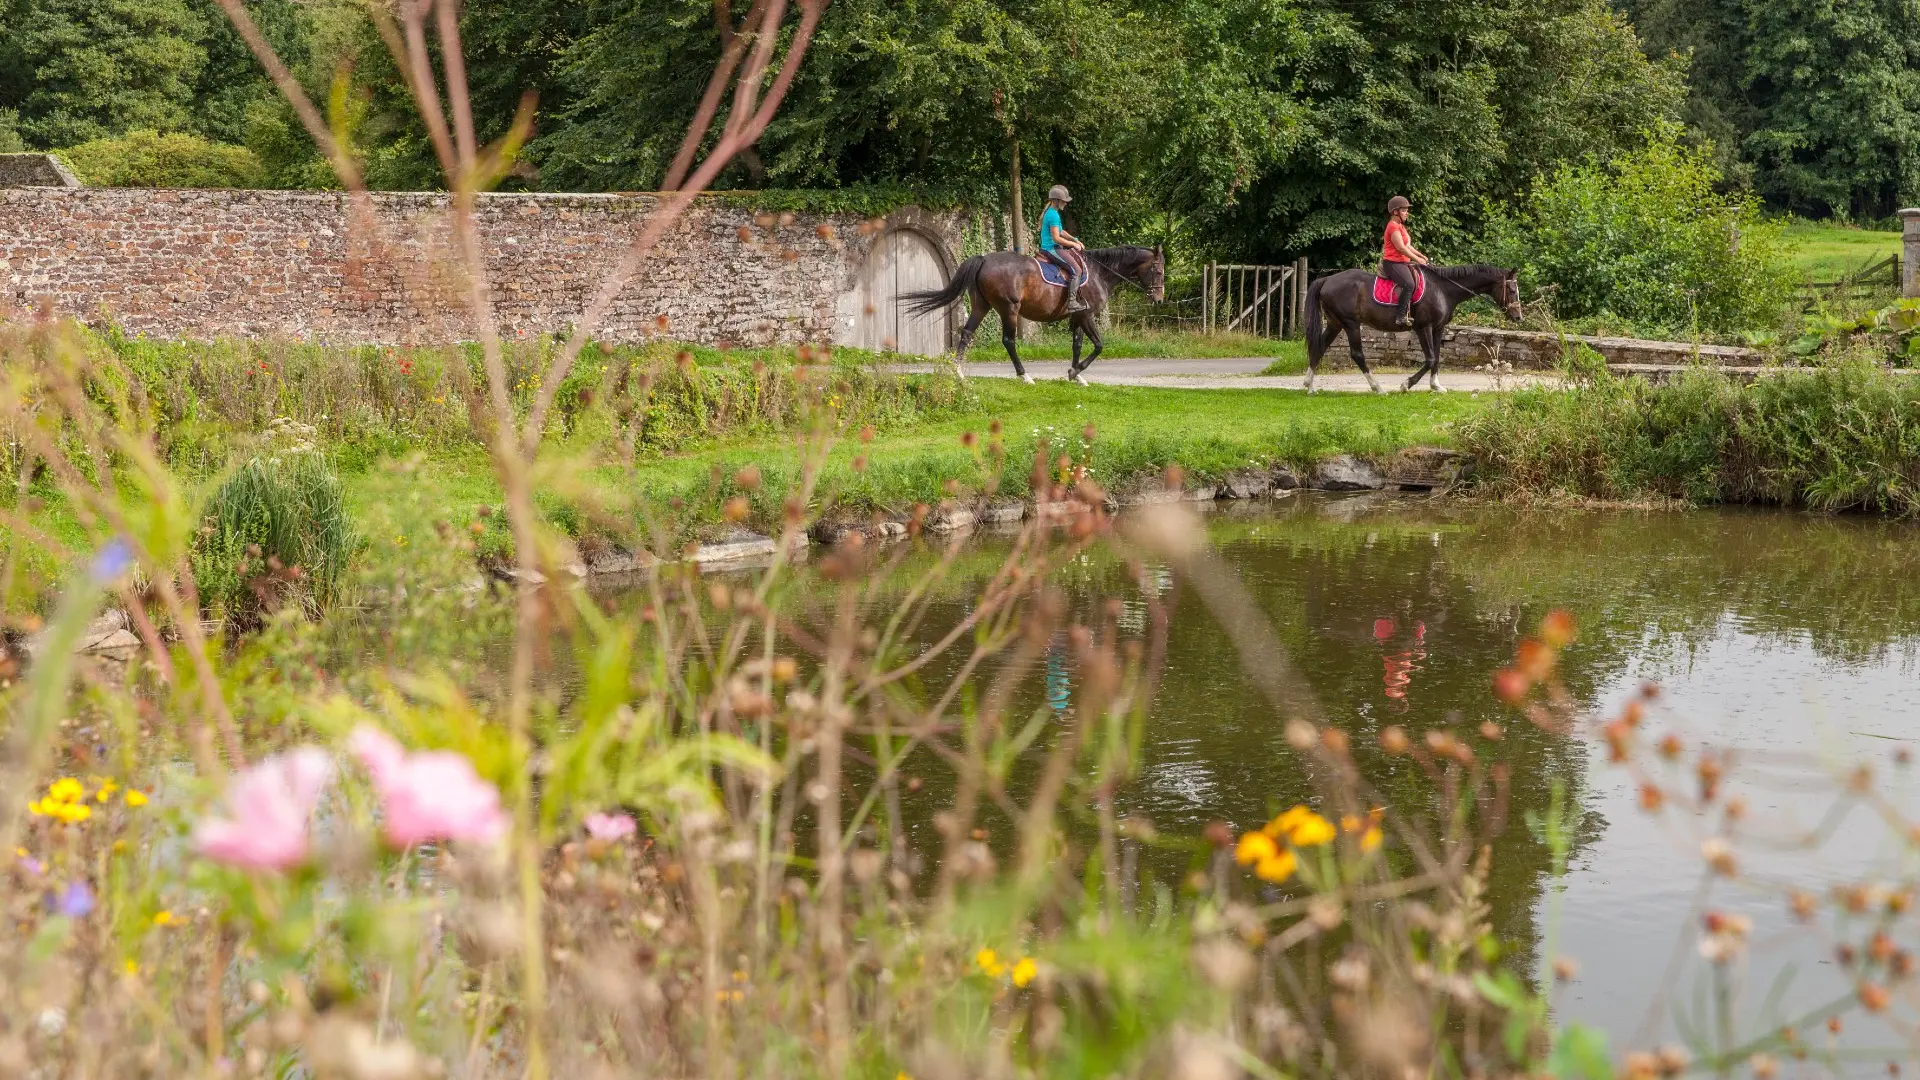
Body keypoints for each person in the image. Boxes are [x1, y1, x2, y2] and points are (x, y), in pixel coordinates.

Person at [1382, 195, 1430, 330]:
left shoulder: (1401, 227)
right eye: (1404, 210)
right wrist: (1417, 260)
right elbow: (1401, 248)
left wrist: (1422, 256)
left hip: (1402, 263)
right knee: (1409, 284)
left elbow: (1408, 246)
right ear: (1395, 212)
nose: (1407, 212)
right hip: (1392, 263)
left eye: (1406, 210)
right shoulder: (1392, 227)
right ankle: (1400, 316)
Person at [1038, 184, 1088, 313]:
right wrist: (1073, 245)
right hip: (1051, 248)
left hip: (1054, 247)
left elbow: (1061, 232)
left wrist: (1075, 240)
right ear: (1056, 201)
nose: (1066, 203)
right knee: (1076, 270)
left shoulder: (1053, 213)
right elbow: (1056, 238)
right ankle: (1072, 303)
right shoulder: (1053, 215)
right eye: (1064, 201)